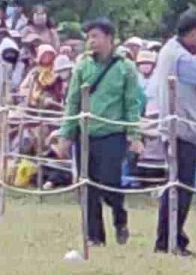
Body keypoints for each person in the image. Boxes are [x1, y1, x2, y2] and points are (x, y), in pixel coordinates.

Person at [55, 18, 145, 248]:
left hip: (112, 134)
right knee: (88, 186)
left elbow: (132, 104)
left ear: (109, 38)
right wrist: (65, 135)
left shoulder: (126, 67)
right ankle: (94, 236)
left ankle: (119, 217)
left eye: (95, 36)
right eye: (89, 37)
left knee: (109, 182)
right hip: (85, 135)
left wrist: (134, 135)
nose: (91, 42)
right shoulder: (82, 66)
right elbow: (72, 101)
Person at [149, 9, 196, 257]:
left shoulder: (171, 51)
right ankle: (168, 240)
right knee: (180, 188)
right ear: (193, 32)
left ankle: (173, 237)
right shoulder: (180, 58)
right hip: (181, 129)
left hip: (179, 127)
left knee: (177, 186)